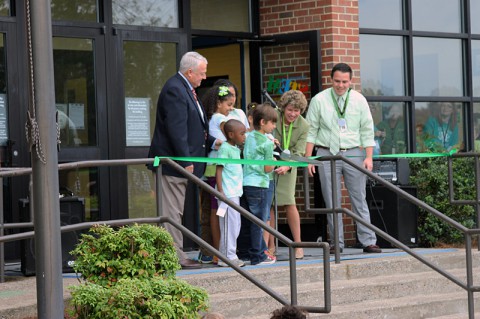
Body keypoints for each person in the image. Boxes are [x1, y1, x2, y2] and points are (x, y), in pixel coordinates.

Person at [148, 51, 219, 269]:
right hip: (173, 165)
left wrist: (214, 142)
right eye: (202, 73)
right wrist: (186, 160)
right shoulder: (176, 90)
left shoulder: (186, 89)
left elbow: (195, 126)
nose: (204, 77)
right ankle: (175, 257)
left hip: (180, 163)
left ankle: (173, 255)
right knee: (171, 212)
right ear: (190, 72)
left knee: (175, 210)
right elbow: (176, 129)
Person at [304, 62, 381, 254]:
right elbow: (311, 131)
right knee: (332, 200)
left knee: (359, 198)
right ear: (331, 80)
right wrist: (308, 159)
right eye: (337, 81)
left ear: (351, 81)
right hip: (326, 153)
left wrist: (369, 157)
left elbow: (367, 130)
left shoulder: (359, 100)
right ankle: (336, 243)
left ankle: (368, 241)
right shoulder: (319, 99)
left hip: (354, 152)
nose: (340, 85)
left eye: (344, 82)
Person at [267, 90, 309, 260]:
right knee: (269, 204)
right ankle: (271, 245)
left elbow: (299, 152)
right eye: (290, 109)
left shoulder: (304, 125)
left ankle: (298, 244)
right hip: (268, 163)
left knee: (289, 202)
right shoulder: (273, 116)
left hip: (290, 164)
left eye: (297, 110)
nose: (293, 114)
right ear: (283, 108)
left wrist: (287, 166)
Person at [196, 85, 235, 264]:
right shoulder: (220, 118)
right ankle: (218, 249)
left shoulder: (214, 117)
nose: (231, 108)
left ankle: (217, 249)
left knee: (216, 208)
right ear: (218, 103)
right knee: (216, 208)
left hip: (214, 167)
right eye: (228, 104)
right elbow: (234, 134)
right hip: (216, 168)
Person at [238, 104, 278, 265]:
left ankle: (250, 252)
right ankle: (258, 255)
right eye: (272, 123)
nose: (274, 126)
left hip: (246, 182)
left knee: (249, 220)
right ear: (263, 122)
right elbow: (267, 168)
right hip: (261, 183)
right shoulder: (267, 143)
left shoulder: (249, 137)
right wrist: (274, 161)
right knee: (259, 221)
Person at [216, 119, 247, 267]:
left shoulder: (235, 149)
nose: (244, 136)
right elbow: (219, 169)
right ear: (231, 134)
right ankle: (229, 256)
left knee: (235, 224)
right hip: (227, 194)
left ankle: (226, 255)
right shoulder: (225, 148)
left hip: (235, 192)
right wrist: (220, 191)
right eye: (242, 133)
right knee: (229, 225)